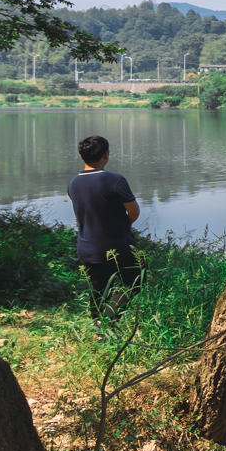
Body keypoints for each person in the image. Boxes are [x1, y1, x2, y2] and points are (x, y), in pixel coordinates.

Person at [68, 134, 142, 316]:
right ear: (106, 155)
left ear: (81, 156)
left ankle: (98, 326)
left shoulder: (73, 183)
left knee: (98, 289)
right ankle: (109, 317)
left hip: (86, 248)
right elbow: (134, 212)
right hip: (118, 247)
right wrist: (124, 226)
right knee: (135, 281)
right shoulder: (115, 180)